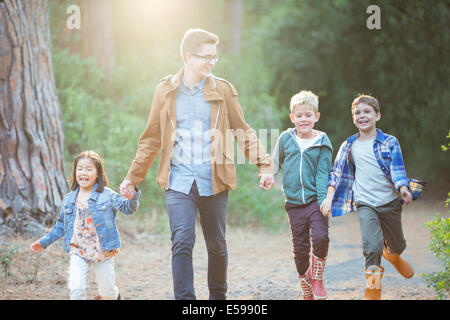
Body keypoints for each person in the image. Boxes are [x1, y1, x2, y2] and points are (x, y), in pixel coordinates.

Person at [119, 28, 274, 300]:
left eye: (215, 57)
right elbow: (152, 137)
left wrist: (264, 165)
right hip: (178, 180)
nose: (212, 62)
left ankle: (218, 299)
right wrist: (133, 177)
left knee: (216, 246)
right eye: (206, 57)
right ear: (188, 56)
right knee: (182, 241)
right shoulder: (165, 90)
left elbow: (243, 130)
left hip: (213, 178)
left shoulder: (224, 90)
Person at [320, 94, 414, 300]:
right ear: (353, 118)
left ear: (377, 115)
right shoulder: (349, 145)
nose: (362, 116)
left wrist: (404, 188)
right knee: (371, 246)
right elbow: (335, 173)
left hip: (390, 202)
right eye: (357, 113)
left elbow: (397, 170)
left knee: (397, 245)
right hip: (365, 203)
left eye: (367, 112)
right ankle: (373, 288)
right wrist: (329, 197)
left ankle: (393, 255)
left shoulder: (390, 142)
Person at [30, 151, 140, 300]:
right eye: (80, 168)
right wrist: (44, 242)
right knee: (76, 289)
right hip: (78, 250)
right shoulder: (69, 199)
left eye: (89, 169)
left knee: (108, 293)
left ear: (97, 174)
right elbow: (61, 225)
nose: (83, 172)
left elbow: (128, 208)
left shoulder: (107, 194)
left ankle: (113, 295)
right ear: (75, 172)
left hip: (103, 251)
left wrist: (132, 196)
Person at [271, 90, 333, 300]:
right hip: (294, 203)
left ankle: (317, 278)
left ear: (316, 116)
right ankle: (306, 289)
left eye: (308, 115)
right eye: (299, 115)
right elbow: (275, 162)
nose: (303, 119)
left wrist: (324, 199)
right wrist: (268, 175)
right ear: (292, 118)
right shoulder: (285, 139)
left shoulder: (322, 141)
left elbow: (324, 172)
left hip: (316, 201)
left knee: (321, 238)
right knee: (300, 249)